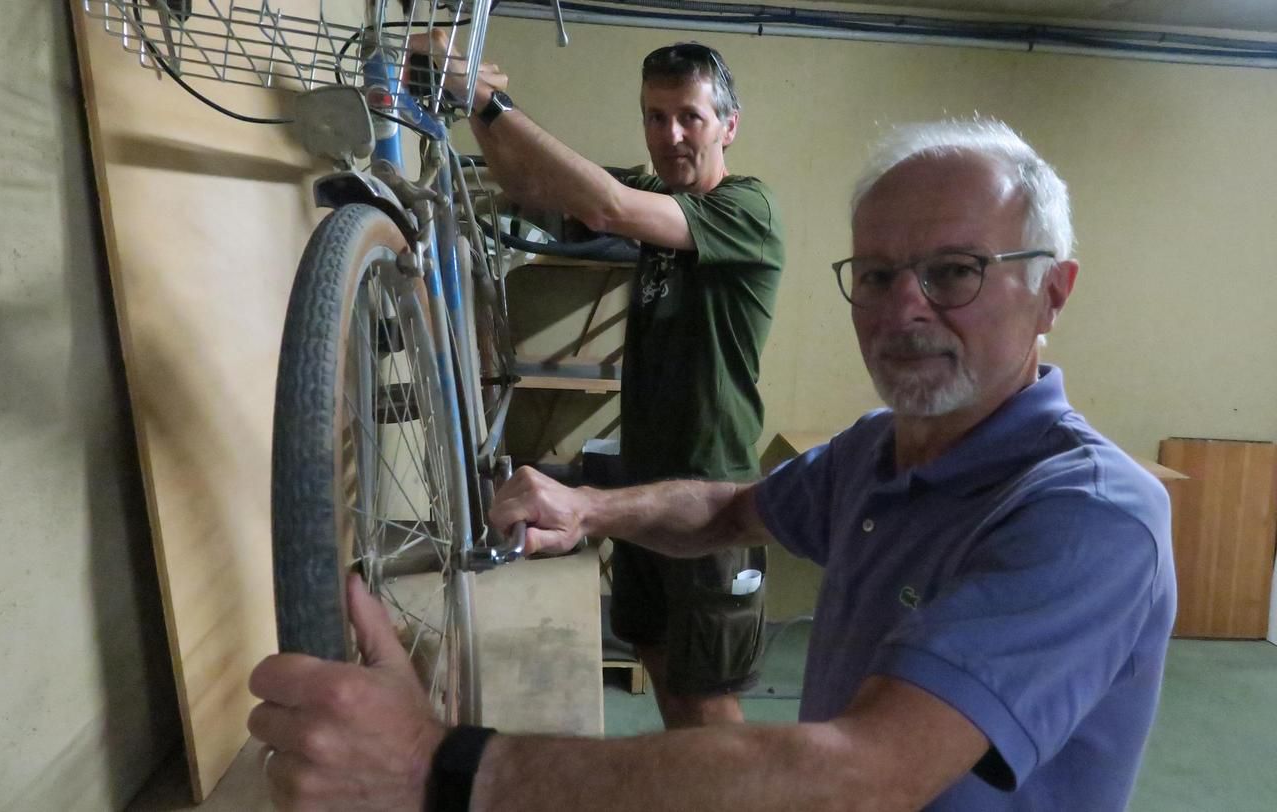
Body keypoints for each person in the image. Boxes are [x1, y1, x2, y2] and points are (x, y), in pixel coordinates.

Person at [249, 118, 1176, 811]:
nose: (904, 310)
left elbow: (864, 775)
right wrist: (589, 510)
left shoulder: (1089, 515)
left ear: (1052, 290)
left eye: (955, 272)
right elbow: (734, 508)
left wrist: (435, 765)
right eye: (879, 274)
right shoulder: (877, 449)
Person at [420, 36, 785, 727]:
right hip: (644, 486)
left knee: (710, 708)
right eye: (654, 117)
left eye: (689, 117)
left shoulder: (748, 211)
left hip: (712, 495)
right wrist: (480, 113)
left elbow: (609, 208)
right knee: (656, 653)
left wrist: (487, 100)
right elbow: (533, 189)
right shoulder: (656, 194)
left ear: (729, 126)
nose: (670, 135)